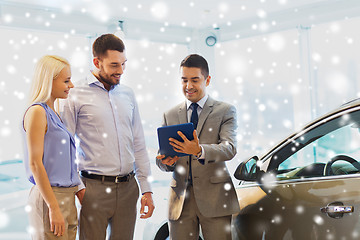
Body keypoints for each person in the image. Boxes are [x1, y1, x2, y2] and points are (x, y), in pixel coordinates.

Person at [61, 33, 155, 240]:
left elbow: (138, 142)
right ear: (97, 62)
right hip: (94, 188)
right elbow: (65, 148)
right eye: (114, 65)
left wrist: (146, 189)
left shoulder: (128, 94)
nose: (120, 71)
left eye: (123, 64)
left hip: (129, 188)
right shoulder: (74, 94)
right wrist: (79, 189)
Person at [156, 54, 240, 240]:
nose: (189, 86)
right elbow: (162, 159)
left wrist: (199, 150)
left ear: (207, 80)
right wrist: (165, 162)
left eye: (195, 80)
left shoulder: (225, 110)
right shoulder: (169, 114)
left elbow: (229, 148)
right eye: (184, 80)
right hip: (180, 201)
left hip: (215, 199)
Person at [22, 55, 81, 239]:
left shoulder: (55, 113)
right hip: (51, 198)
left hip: (66, 197)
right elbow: (35, 164)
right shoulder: (37, 112)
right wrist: (53, 207)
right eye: (66, 80)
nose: (71, 86)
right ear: (49, 80)